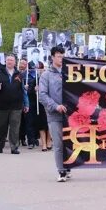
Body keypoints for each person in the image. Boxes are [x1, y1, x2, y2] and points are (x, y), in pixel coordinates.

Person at [39, 46, 71, 182]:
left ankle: (68, 166)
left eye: (63, 55)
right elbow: (42, 95)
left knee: (69, 143)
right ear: (52, 57)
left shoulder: (69, 72)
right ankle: (61, 171)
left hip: (70, 115)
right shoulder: (46, 75)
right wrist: (55, 106)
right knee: (58, 144)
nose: (61, 57)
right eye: (58, 55)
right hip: (55, 115)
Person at [0, 54, 29, 154]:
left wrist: (26, 104)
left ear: (15, 62)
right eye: (8, 60)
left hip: (16, 106)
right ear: (5, 62)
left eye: (12, 60)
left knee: (15, 127)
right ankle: (0, 145)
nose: (10, 62)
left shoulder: (19, 74)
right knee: (1, 127)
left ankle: (14, 147)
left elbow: (23, 90)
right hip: (2, 105)